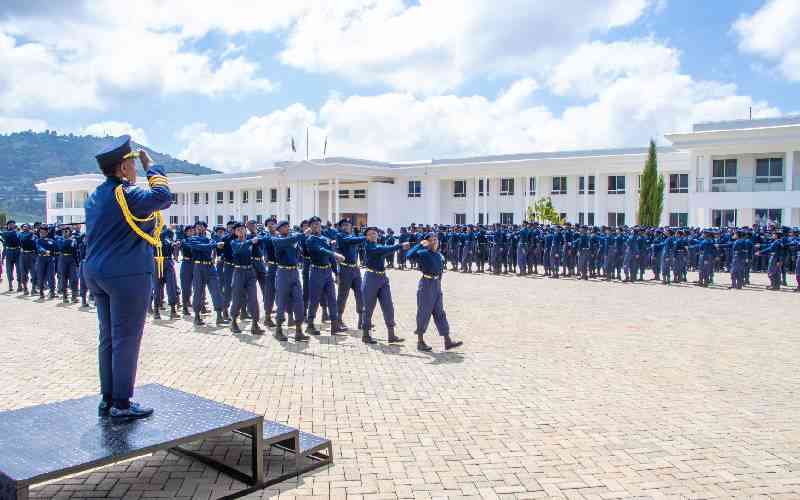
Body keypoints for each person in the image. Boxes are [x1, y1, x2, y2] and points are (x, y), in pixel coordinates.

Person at [82, 135, 172, 421]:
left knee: (108, 338)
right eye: (132, 165)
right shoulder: (126, 194)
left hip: (97, 272)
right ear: (122, 169)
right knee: (126, 339)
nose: (135, 170)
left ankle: (108, 399)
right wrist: (153, 168)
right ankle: (121, 403)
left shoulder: (96, 195)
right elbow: (162, 198)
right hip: (126, 275)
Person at [405, 232, 463, 352]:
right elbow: (408, 255)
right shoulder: (423, 253)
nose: (434, 241)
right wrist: (420, 245)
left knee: (440, 313)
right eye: (431, 240)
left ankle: (447, 341)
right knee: (424, 313)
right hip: (426, 284)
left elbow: (440, 270)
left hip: (436, 285)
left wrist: (438, 284)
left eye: (435, 239)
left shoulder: (438, 255)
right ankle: (420, 342)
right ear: (426, 242)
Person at [360, 227, 409, 344]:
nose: (373, 235)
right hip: (371, 277)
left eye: (375, 233)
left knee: (388, 306)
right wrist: (400, 246)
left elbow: (385, 249)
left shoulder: (379, 245)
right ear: (366, 237)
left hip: (383, 278)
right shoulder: (369, 246)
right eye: (370, 234)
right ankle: (366, 335)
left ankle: (391, 335)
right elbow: (383, 249)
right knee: (368, 308)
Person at [305, 216, 346, 335]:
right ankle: (310, 325)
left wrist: (336, 273)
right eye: (313, 224)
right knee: (314, 300)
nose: (316, 226)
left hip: (327, 272)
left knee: (332, 298)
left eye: (318, 224)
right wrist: (334, 253)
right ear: (310, 227)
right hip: (316, 272)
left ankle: (335, 325)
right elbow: (320, 250)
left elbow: (331, 258)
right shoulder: (310, 239)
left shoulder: (325, 238)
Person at [271, 220, 310, 342]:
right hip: (282, 272)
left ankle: (299, 330)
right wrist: (302, 234)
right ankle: (278, 330)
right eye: (284, 227)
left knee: (298, 301)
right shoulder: (277, 239)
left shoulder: (293, 238)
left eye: (288, 226)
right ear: (279, 229)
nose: (287, 228)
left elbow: (299, 251)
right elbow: (288, 241)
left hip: (294, 273)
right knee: (281, 301)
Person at [228, 222, 265, 335]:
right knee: (237, 298)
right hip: (239, 272)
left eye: (242, 229)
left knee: (253, 298)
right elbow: (240, 248)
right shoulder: (234, 242)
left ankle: (255, 323)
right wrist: (250, 241)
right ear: (234, 232)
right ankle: (233, 321)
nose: (241, 231)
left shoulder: (251, 239)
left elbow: (261, 242)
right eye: (238, 230)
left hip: (250, 271)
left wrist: (256, 235)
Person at [335, 219, 366, 330]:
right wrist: (366, 236)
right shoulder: (341, 236)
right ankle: (338, 320)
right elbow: (351, 241)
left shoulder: (353, 236)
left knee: (360, 294)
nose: (346, 227)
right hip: (345, 269)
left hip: (355, 269)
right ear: (340, 227)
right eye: (343, 225)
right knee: (343, 296)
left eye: (348, 225)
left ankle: (362, 320)